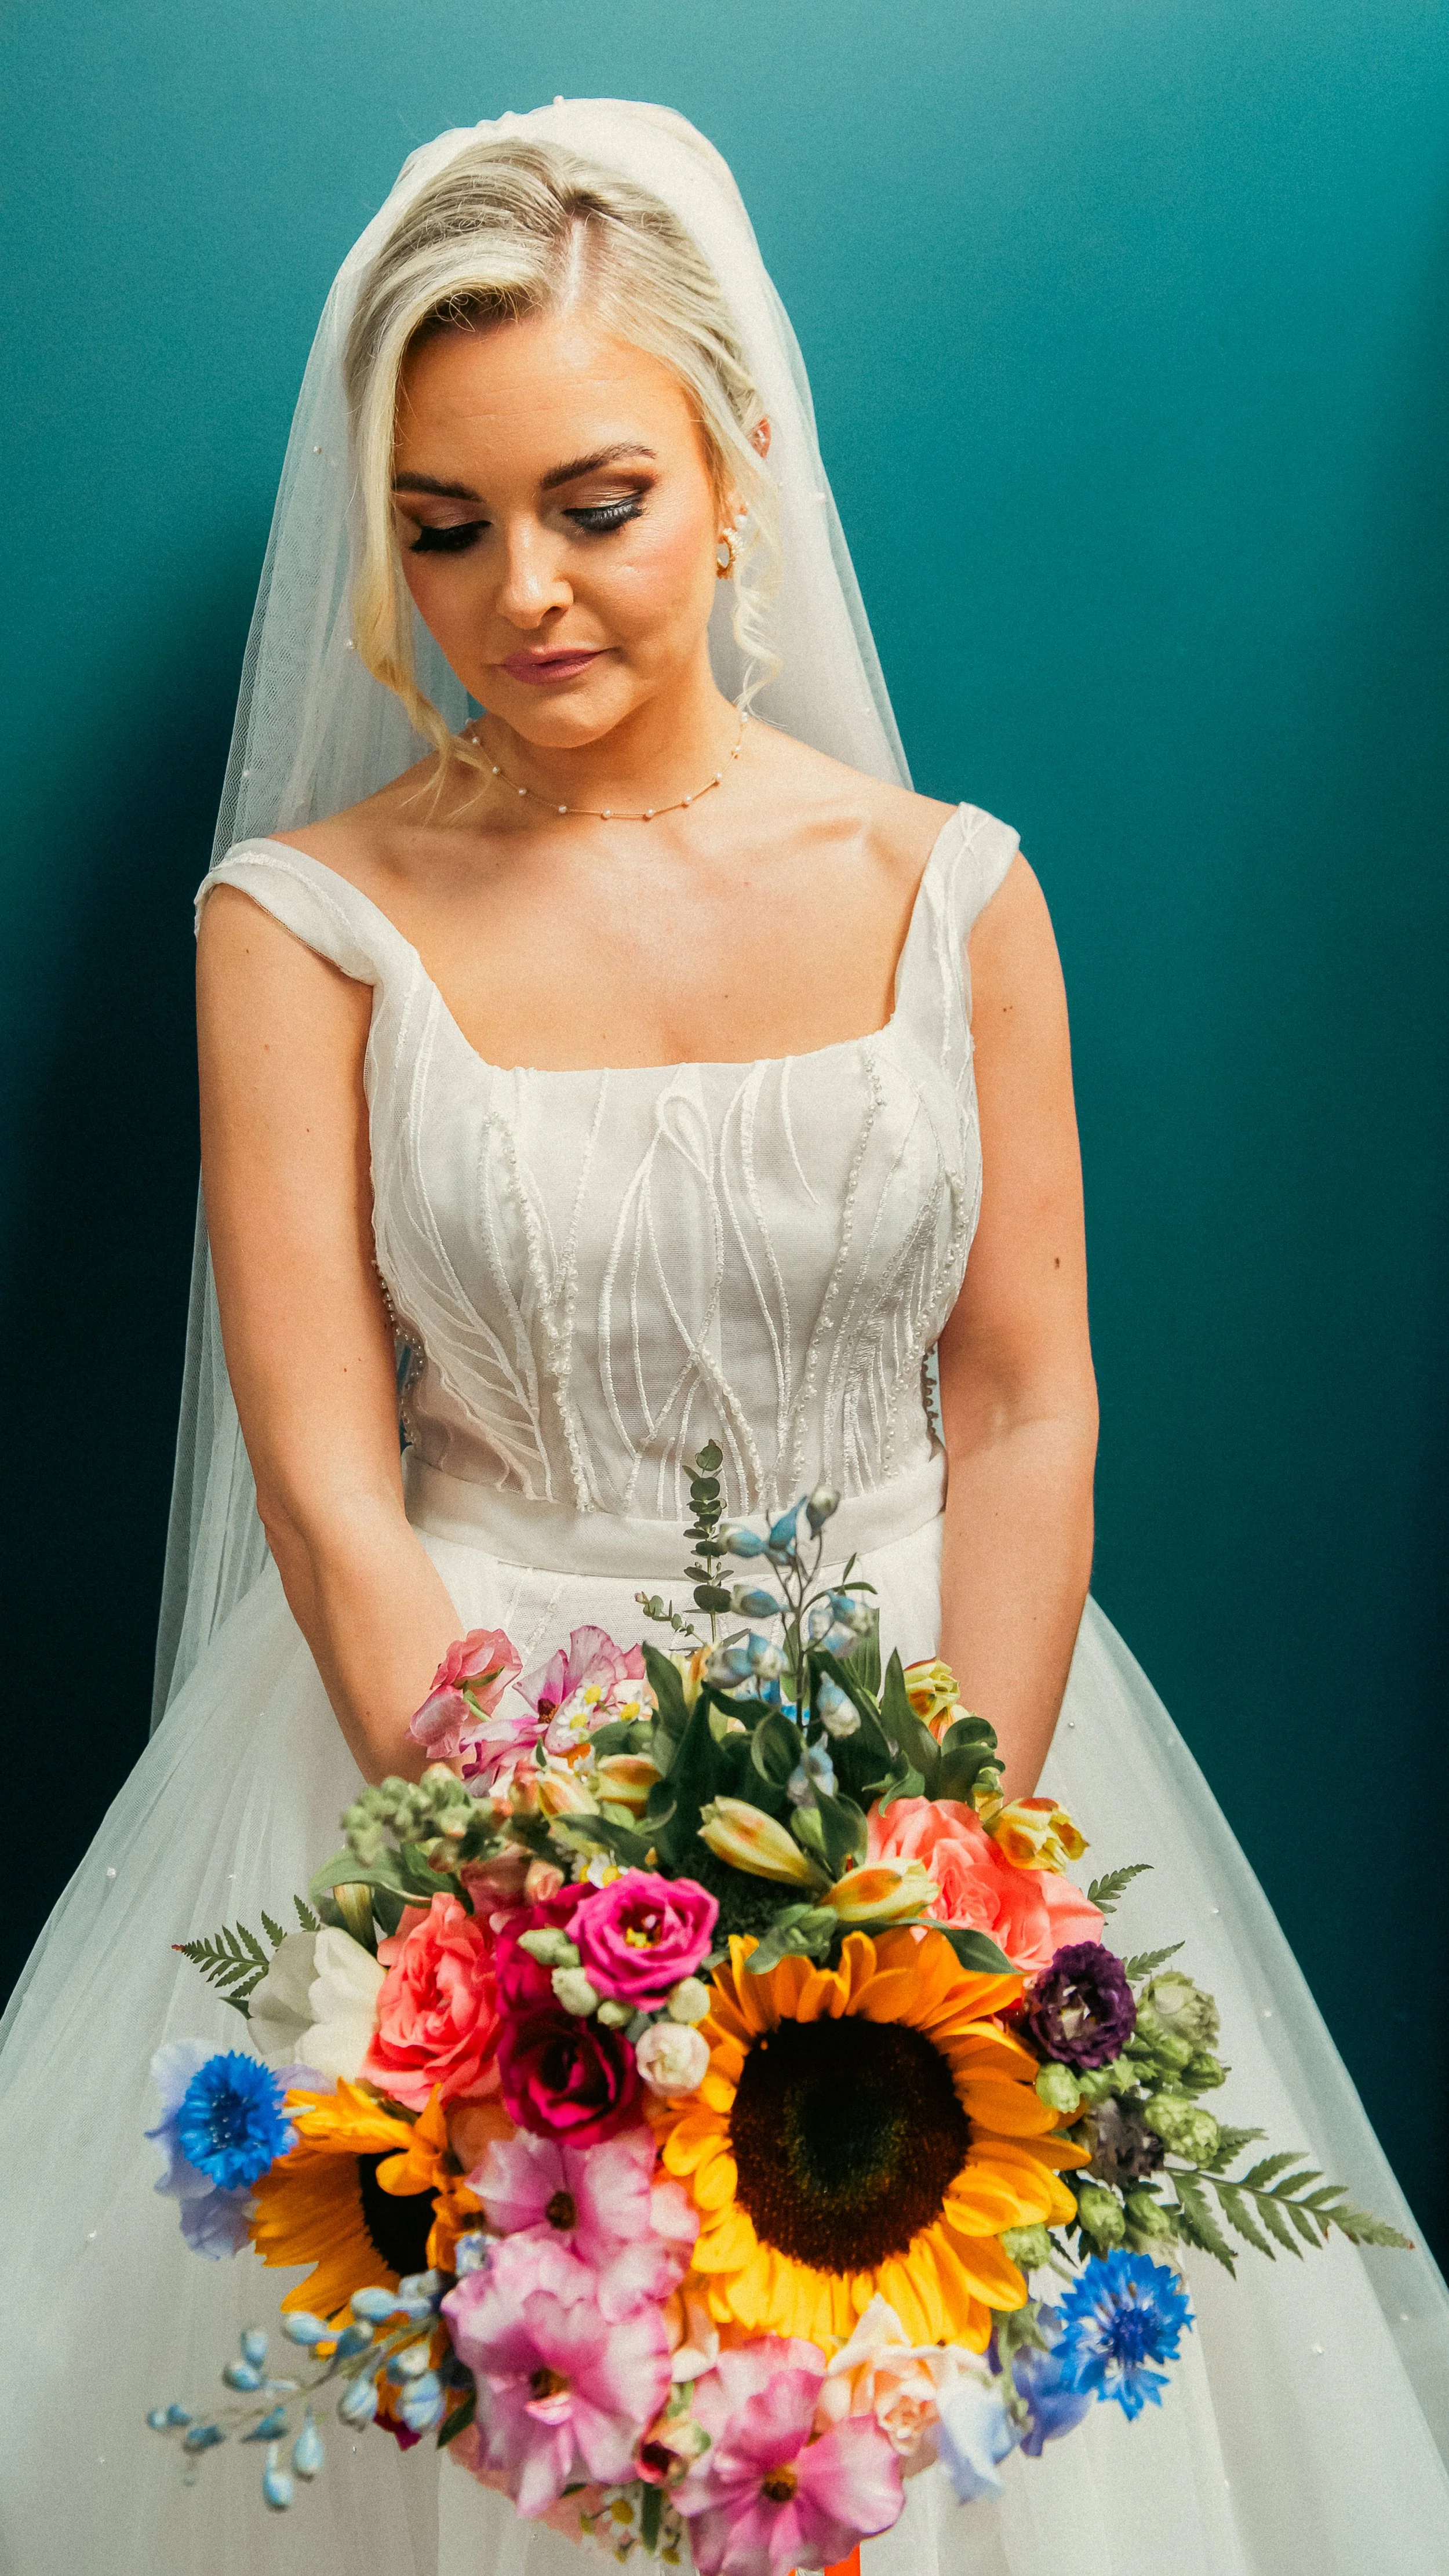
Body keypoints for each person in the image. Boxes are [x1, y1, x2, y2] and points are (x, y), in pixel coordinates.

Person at [0, 97, 1444, 2576]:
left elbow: (1018, 1401)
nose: (520, 595)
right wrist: (529, 1915)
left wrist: (938, 1893)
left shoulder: (950, 893)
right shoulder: (299, 922)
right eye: (441, 529)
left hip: (933, 1734)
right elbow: (329, 1482)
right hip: (453, 1757)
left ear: (735, 463)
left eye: (594, 503)